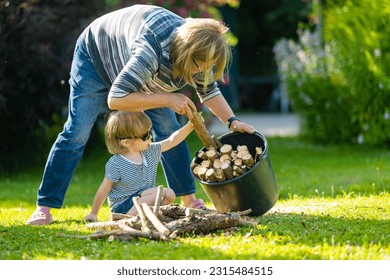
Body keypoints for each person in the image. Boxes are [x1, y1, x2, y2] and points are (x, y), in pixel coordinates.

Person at [26, 4, 255, 225]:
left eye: (208, 67)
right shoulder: (151, 51)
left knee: (168, 126)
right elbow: (115, 99)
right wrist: (167, 98)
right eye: (199, 66)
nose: (203, 72)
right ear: (186, 53)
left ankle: (189, 200)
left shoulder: (197, 47)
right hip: (94, 57)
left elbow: (209, 90)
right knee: (78, 131)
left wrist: (232, 122)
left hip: (136, 65)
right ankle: (44, 206)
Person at [83, 110, 193, 222]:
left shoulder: (150, 151)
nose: (150, 137)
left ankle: (146, 215)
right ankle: (125, 219)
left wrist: (190, 126)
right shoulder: (116, 163)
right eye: (145, 136)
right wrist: (93, 213)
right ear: (126, 142)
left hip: (144, 198)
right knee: (156, 194)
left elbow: (171, 140)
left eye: (149, 132)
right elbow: (104, 190)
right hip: (123, 207)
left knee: (169, 194)